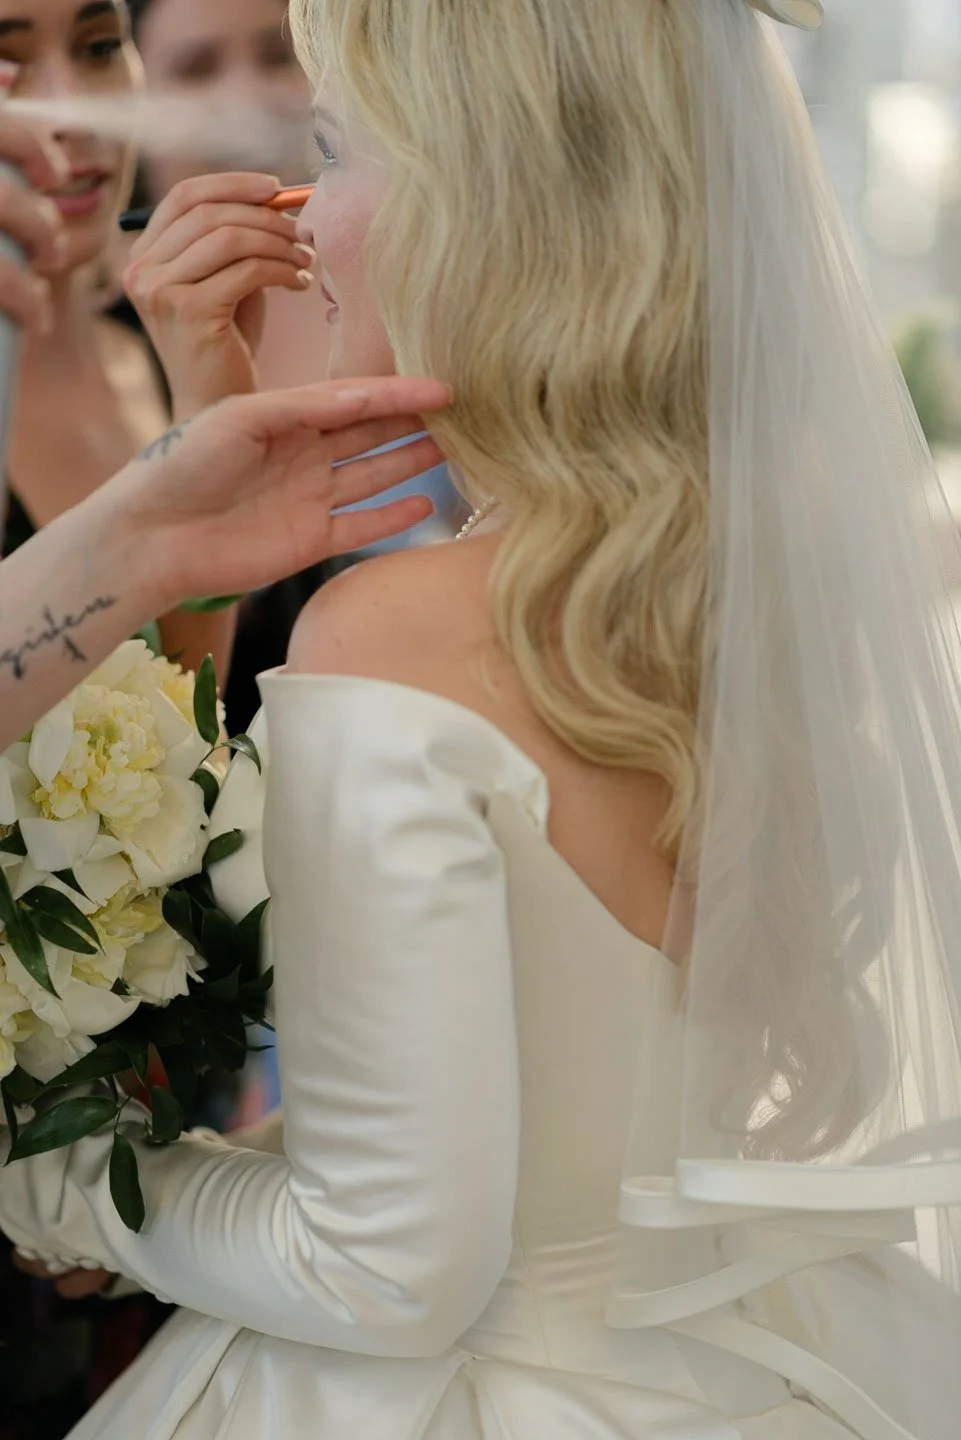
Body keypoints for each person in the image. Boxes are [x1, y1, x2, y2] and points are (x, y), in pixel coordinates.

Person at [5, 2, 961, 1438]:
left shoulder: (387, 635)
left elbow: (388, 1267)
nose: (303, 210)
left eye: (332, 150)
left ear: (485, 202)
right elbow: (541, 1105)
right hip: (726, 1353)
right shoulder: (722, 596)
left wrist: (62, 1178)